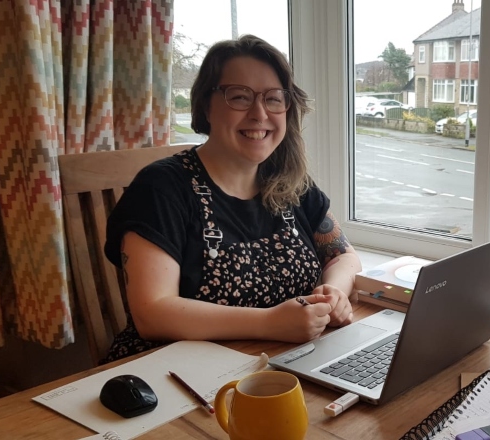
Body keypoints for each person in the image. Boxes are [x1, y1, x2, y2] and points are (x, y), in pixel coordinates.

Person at [102, 35, 361, 362]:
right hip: (173, 375)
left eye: (273, 98)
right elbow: (153, 312)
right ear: (205, 106)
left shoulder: (288, 180)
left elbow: (343, 256)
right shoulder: (161, 187)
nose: (259, 113)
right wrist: (269, 323)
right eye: (239, 97)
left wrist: (334, 291)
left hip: (282, 363)